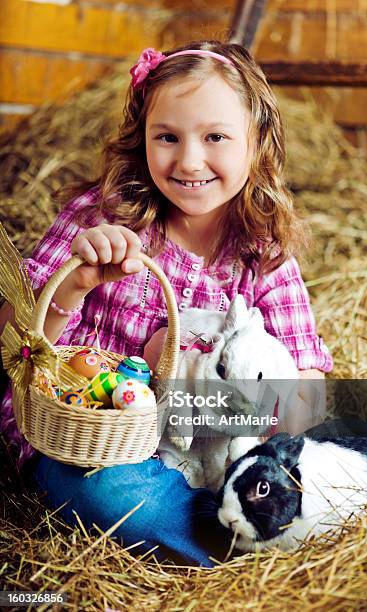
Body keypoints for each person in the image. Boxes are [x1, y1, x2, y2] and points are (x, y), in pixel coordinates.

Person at [0, 40, 333, 567]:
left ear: (257, 142)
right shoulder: (98, 219)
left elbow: (307, 375)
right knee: (110, 494)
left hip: (209, 448)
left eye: (216, 137)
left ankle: (232, 516)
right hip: (95, 444)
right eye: (168, 137)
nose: (189, 160)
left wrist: (280, 444)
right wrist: (75, 286)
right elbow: (13, 342)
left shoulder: (261, 252)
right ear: (142, 138)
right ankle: (230, 540)